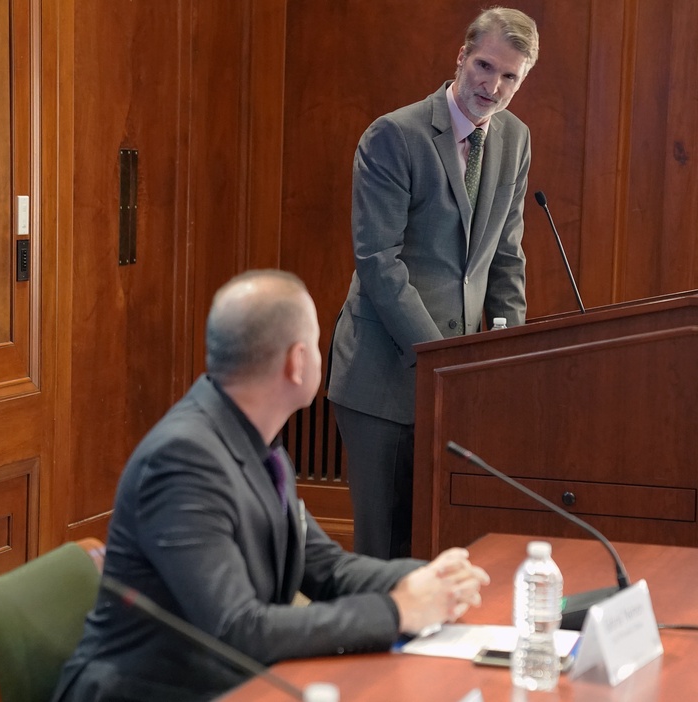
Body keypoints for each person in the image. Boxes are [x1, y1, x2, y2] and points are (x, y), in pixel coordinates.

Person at [53, 270, 490, 702]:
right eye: (316, 344)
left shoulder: (256, 440)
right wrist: (397, 611)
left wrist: (426, 578)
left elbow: (327, 569)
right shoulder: (183, 460)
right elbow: (238, 630)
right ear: (296, 362)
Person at [327, 7, 540, 559]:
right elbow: (379, 261)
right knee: (385, 553)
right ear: (461, 57)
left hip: (459, 386)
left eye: (510, 76)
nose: (492, 86)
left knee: (444, 548)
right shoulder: (395, 135)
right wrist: (440, 361)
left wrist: (504, 354)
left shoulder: (515, 139)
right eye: (484, 66)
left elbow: (506, 256)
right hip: (385, 375)